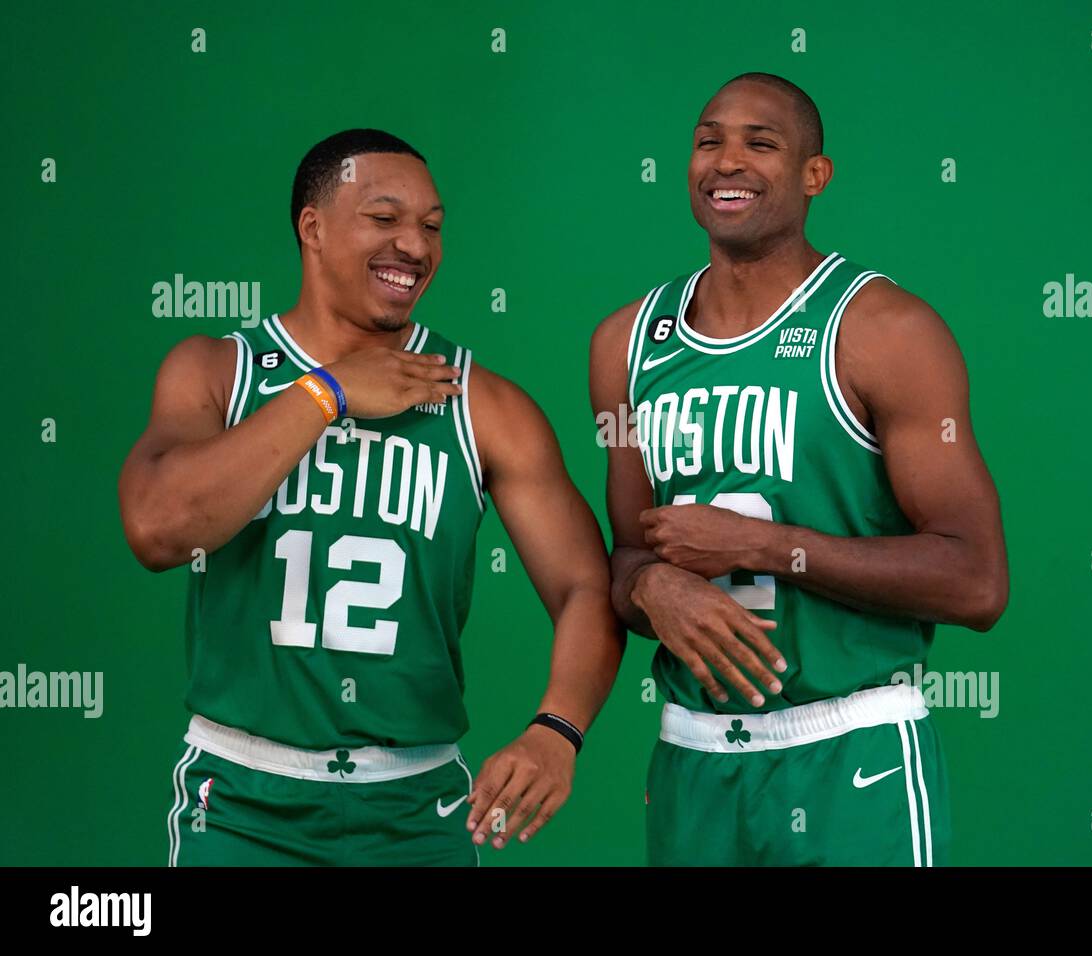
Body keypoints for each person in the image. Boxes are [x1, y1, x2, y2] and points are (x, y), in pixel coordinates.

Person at [120, 128, 623, 866]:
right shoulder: (216, 371)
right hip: (241, 804)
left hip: (416, 809)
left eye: (431, 226)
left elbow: (586, 584)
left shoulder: (479, 403)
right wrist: (327, 392)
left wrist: (559, 729)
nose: (414, 248)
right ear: (312, 227)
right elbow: (158, 529)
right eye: (385, 220)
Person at [589, 74, 1009, 866]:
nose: (727, 161)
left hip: (851, 752)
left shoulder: (884, 329)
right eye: (708, 139)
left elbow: (978, 582)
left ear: (815, 175)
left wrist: (765, 546)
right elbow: (627, 557)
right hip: (694, 762)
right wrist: (649, 585)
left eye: (761, 143)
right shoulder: (626, 344)